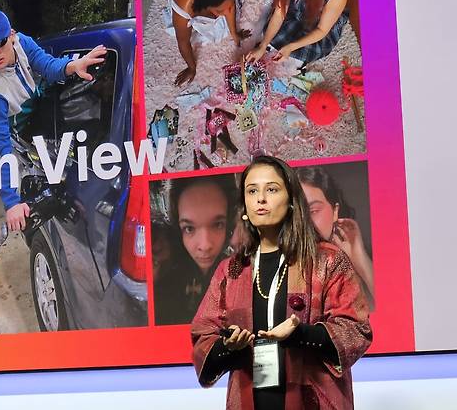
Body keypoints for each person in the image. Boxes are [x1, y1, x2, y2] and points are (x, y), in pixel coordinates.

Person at [191, 156, 371, 409]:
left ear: (291, 201)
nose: (260, 199)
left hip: (312, 401)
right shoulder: (231, 270)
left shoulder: (326, 260)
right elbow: (203, 335)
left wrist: (301, 334)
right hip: (250, 398)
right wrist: (229, 346)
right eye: (252, 191)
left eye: (272, 189)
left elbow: (356, 329)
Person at [0, 10, 106, 232]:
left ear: (12, 36)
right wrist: (11, 203)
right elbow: (0, 147)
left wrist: (74, 66)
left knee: (53, 100)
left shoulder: (22, 43)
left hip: (37, 102)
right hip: (19, 125)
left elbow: (46, 64)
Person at [154, 173, 237, 325]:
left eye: (217, 225)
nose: (205, 245)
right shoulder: (164, 278)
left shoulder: (239, 274)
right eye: (189, 228)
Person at [165, 0, 250, 85]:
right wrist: (191, 68)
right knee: (213, 31)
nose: (226, 12)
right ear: (205, 5)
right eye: (219, 10)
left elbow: (231, 7)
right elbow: (183, 41)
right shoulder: (184, 4)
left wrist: (235, 35)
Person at [297, 165, 375, 309]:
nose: (305, 222)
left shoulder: (347, 267)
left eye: (313, 210)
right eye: (295, 214)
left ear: (335, 211)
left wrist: (360, 259)